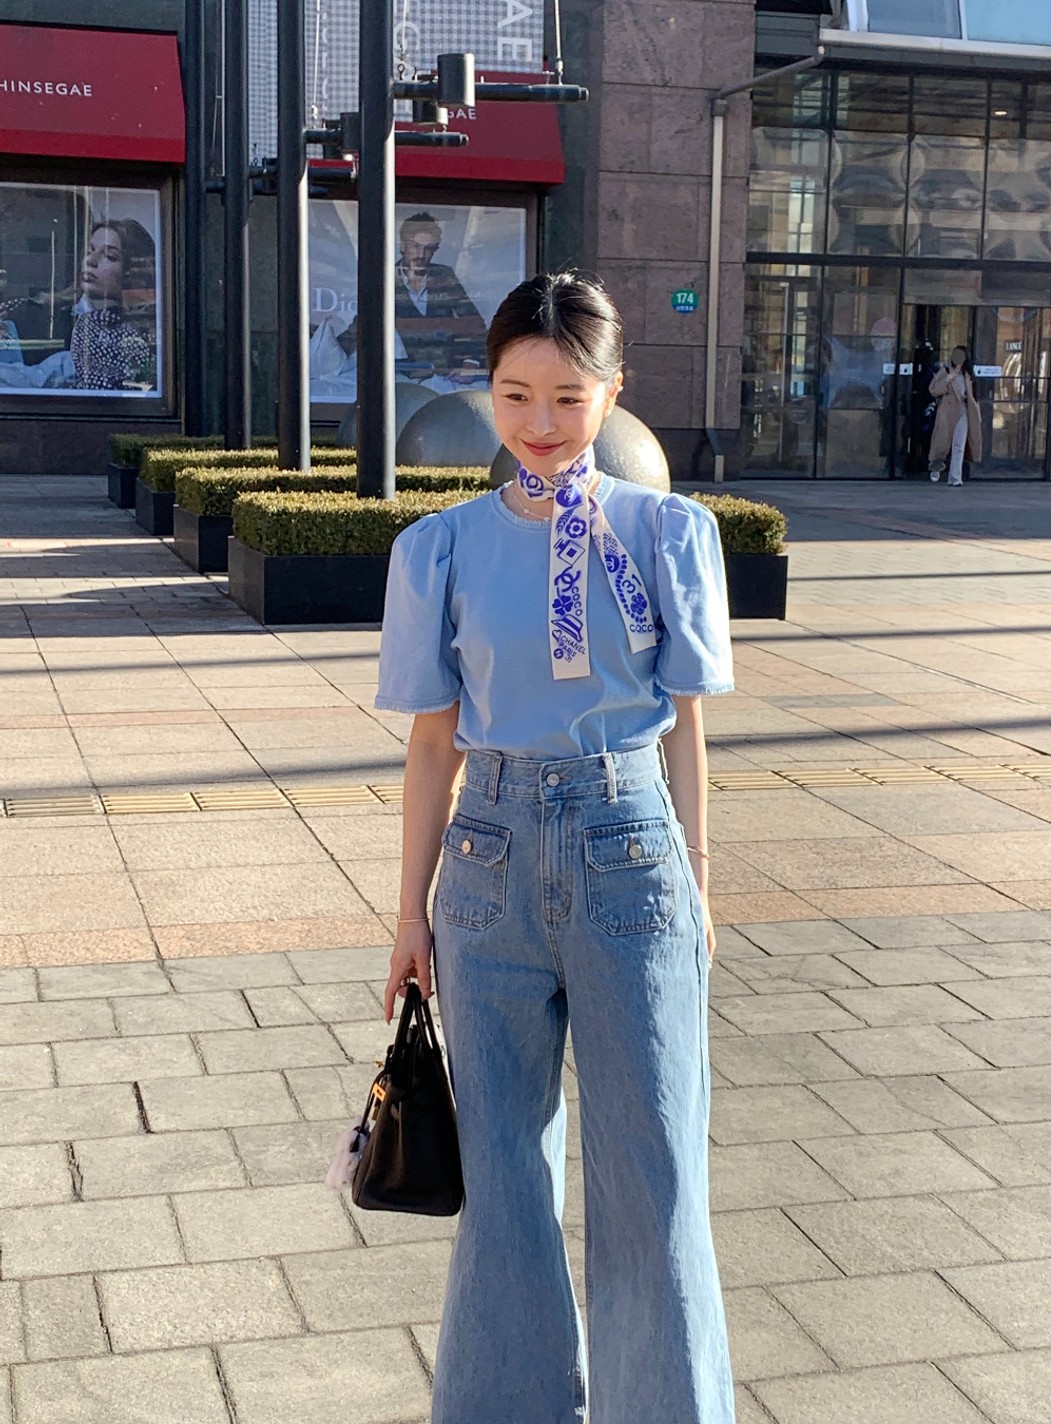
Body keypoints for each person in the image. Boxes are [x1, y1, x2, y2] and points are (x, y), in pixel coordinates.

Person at [375, 271, 737, 1424]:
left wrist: (699, 881)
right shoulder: (439, 548)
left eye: (569, 398)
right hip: (485, 868)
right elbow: (433, 746)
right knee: (503, 1186)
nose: (540, 424)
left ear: (613, 392)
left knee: (656, 1176)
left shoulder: (669, 533)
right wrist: (407, 916)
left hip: (632, 854)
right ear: (486, 391)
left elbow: (686, 727)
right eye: (516, 395)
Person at [394, 211, 486, 381]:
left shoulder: (444, 276)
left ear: (435, 250)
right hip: (401, 378)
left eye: (428, 248)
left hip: (446, 376)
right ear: (402, 246)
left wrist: (471, 363)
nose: (421, 255)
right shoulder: (385, 279)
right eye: (415, 246)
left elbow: (474, 323)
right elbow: (364, 327)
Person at [68, 219, 155, 391]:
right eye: (90, 250)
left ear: (131, 272)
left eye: (110, 257)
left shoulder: (137, 332)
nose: (90, 260)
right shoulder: (58, 316)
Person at [929, 345, 982, 486]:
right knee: (941, 443)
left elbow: (972, 395)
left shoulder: (968, 374)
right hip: (947, 411)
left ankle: (955, 478)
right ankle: (935, 466)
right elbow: (933, 390)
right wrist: (947, 379)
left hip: (964, 411)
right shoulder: (945, 371)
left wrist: (975, 410)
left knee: (959, 445)